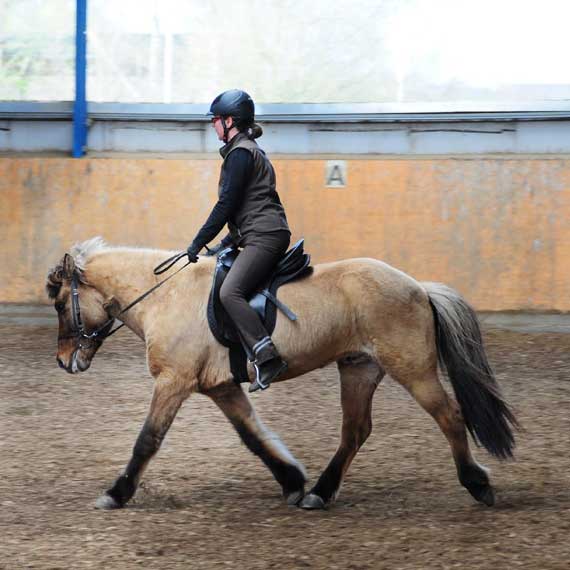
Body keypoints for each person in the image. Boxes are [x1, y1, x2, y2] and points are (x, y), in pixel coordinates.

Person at [186, 89, 291, 392]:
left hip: (265, 236)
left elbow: (227, 205)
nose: (213, 125)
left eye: (216, 119)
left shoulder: (241, 153)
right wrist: (222, 245)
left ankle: (266, 355)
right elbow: (249, 207)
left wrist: (197, 242)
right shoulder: (246, 151)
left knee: (230, 291)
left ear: (230, 121)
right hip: (260, 231)